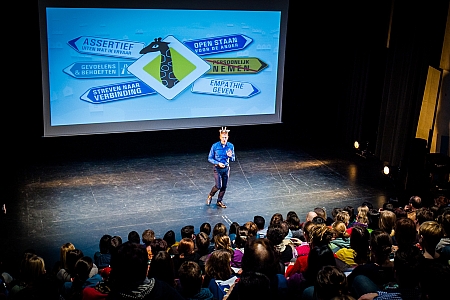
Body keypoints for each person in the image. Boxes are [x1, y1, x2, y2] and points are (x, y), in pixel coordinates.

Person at [206, 127, 235, 208]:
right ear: (220, 137)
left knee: (224, 186)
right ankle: (210, 195)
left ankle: (219, 201)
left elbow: (233, 159)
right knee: (218, 186)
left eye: (225, 137)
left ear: (228, 137)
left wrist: (231, 155)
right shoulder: (215, 146)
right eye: (223, 137)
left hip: (226, 169)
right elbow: (210, 158)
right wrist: (218, 163)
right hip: (217, 169)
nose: (224, 139)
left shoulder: (230, 146)